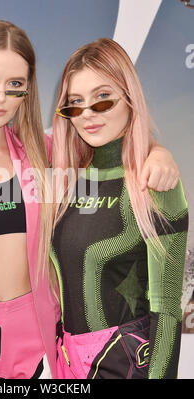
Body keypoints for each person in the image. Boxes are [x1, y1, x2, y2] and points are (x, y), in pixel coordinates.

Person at [0, 20, 180, 379]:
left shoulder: (44, 157)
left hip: (33, 360)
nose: (0, 97)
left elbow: (109, 147)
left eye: (15, 84)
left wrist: (158, 153)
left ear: (28, 90)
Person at [50, 38, 188, 379]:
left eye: (102, 99)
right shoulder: (66, 179)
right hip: (65, 364)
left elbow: (167, 309)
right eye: (75, 103)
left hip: (125, 365)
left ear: (129, 98)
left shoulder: (155, 181)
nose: (87, 115)